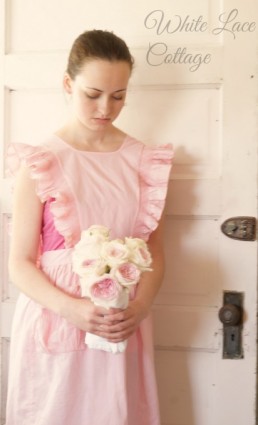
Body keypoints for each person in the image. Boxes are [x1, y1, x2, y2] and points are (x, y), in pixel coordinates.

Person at [5, 29, 173, 425]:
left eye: (118, 96)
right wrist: (73, 309)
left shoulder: (143, 162)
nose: (106, 108)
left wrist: (141, 306)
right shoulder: (41, 163)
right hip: (55, 321)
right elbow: (20, 263)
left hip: (121, 325)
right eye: (93, 94)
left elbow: (157, 249)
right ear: (68, 84)